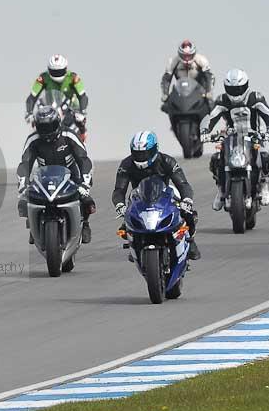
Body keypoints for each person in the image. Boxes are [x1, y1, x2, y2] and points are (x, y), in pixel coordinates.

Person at [112, 131, 201, 260]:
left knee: (187, 212)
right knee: (126, 223)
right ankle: (136, 244)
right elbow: (119, 189)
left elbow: (183, 184)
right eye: (137, 153)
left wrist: (187, 200)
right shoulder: (126, 164)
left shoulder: (166, 160)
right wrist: (120, 205)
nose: (141, 157)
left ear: (154, 149)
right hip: (139, 197)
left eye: (145, 153)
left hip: (165, 194)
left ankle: (190, 240)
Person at [200, 69, 269, 210]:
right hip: (231, 137)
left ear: (246, 85)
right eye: (232, 89)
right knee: (216, 159)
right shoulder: (222, 100)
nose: (236, 92)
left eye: (239, 89)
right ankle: (221, 190)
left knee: (264, 156)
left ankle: (264, 185)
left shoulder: (255, 97)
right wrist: (205, 131)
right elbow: (210, 117)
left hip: (254, 137)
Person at [18, 104, 96, 243]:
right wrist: (23, 185)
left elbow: (83, 160)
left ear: (58, 123)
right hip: (44, 178)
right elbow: (25, 164)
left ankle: (85, 224)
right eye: (43, 127)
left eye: (50, 126)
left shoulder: (69, 135)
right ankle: (33, 226)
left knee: (87, 200)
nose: (47, 131)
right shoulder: (33, 140)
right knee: (24, 202)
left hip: (71, 177)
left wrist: (85, 183)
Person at [25, 54, 90, 139]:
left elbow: (82, 96)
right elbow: (32, 97)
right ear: (49, 70)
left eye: (60, 71)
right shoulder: (43, 78)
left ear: (66, 68)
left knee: (80, 121)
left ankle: (82, 137)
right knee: (36, 127)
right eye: (54, 72)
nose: (57, 74)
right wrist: (29, 113)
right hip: (51, 109)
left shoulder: (73, 77)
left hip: (71, 109)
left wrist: (82, 111)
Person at [160, 40, 215, 112]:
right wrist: (165, 94)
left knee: (211, 106)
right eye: (184, 56)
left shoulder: (201, 60)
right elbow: (166, 79)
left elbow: (209, 77)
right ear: (179, 54)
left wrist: (209, 92)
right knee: (166, 105)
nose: (187, 59)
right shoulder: (173, 61)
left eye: (189, 56)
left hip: (200, 91)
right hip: (181, 91)